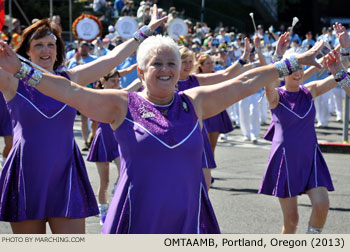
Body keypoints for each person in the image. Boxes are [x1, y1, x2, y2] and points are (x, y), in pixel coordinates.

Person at [0, 29, 325, 233]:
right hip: (135, 220)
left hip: (188, 219)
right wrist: (23, 70)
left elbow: (243, 81)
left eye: (171, 63)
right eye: (157, 64)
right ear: (141, 71)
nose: (166, 70)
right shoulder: (120, 104)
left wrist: (293, 63)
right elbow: (70, 92)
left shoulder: (193, 102)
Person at [0, 6, 167, 234]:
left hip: (65, 172)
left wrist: (146, 30)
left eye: (51, 44)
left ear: (58, 50)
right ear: (27, 51)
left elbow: (113, 58)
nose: (45, 50)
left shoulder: (73, 78)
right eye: (38, 45)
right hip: (26, 174)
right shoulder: (11, 81)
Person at [260, 31, 343, 234]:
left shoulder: (310, 90)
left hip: (310, 157)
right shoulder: (276, 96)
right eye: (292, 69)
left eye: (300, 69)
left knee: (322, 204)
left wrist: (343, 60)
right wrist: (277, 57)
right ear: (283, 71)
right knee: (291, 221)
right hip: (285, 159)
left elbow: (340, 79)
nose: (297, 73)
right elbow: (268, 83)